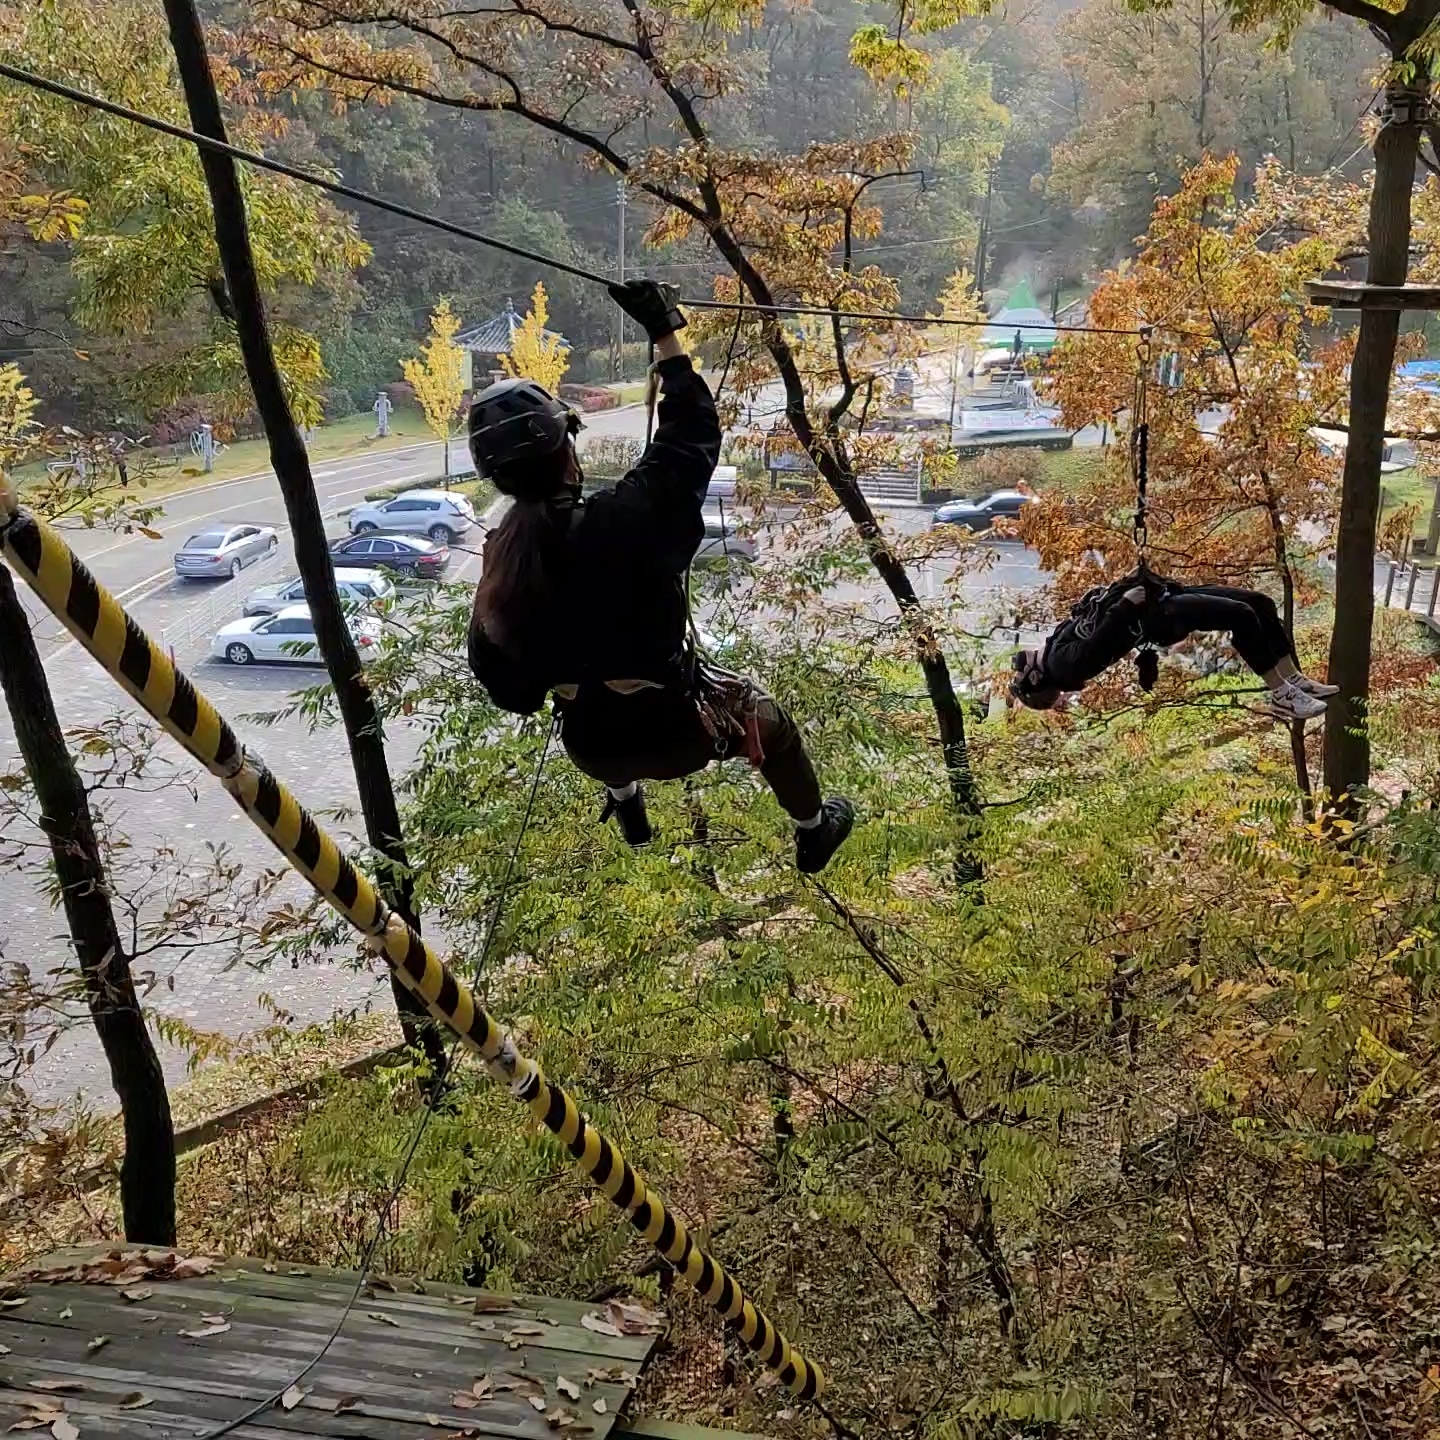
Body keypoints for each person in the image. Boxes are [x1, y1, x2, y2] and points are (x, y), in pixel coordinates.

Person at [465, 278, 855, 874]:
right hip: (680, 735)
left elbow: (508, 692)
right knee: (768, 720)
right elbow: (689, 438)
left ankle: (628, 809)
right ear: (567, 449)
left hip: (592, 748)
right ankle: (813, 828)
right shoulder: (622, 520)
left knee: (593, 709)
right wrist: (664, 332)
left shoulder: (500, 564)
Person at [1010, 574, 1339, 720]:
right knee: (1242, 615)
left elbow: (1092, 625)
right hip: (1158, 616)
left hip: (1155, 602)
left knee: (1259, 603)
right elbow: (1099, 641)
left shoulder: (1055, 652)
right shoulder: (1065, 668)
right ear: (1038, 678)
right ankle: (1282, 693)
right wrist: (1124, 605)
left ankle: (1292, 678)